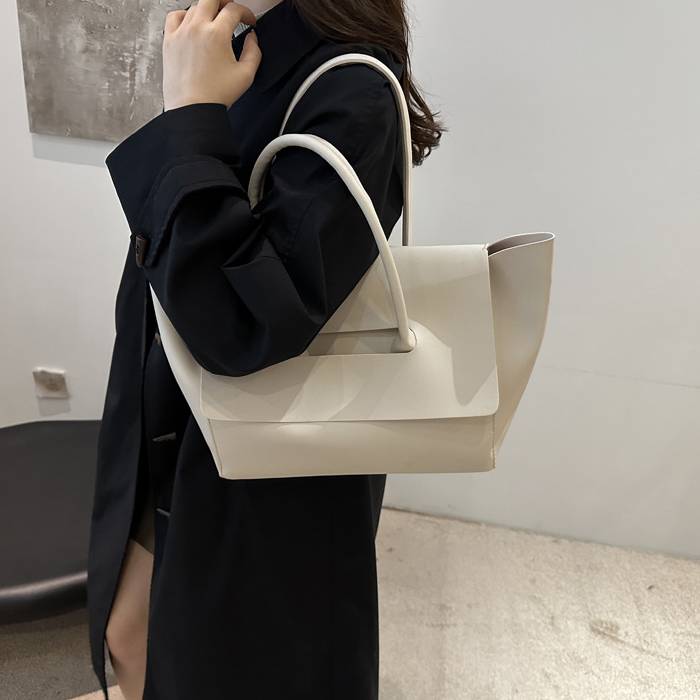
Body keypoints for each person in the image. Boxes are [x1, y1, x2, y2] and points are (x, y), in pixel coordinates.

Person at [86, 0, 444, 698]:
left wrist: (192, 115)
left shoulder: (352, 92)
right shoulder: (239, 49)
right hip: (178, 417)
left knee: (225, 661)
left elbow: (242, 324)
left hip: (266, 457)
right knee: (128, 635)